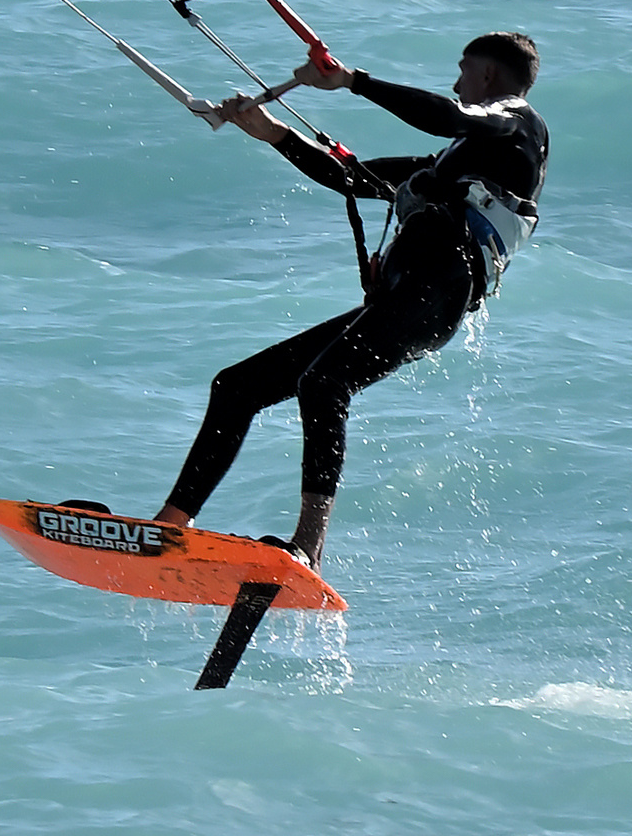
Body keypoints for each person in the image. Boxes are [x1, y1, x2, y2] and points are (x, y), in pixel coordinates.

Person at [152, 32, 549, 566]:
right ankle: (169, 527)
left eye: (463, 70)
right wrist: (273, 133)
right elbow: (351, 178)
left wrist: (352, 82)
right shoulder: (456, 159)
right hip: (406, 295)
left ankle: (308, 547)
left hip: (439, 291)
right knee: (237, 387)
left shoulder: (516, 123)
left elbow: (451, 116)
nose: (456, 82)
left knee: (323, 382)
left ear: (488, 76)